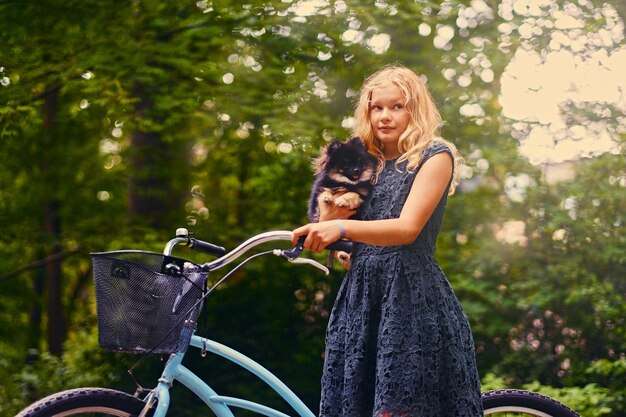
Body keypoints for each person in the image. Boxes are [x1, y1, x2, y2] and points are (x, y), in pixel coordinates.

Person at [291, 65, 483, 417]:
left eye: (397, 107)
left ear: (415, 110)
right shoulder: (363, 163)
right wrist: (330, 228)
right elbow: (339, 226)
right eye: (376, 107)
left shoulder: (434, 155)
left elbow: (407, 229)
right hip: (361, 300)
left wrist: (344, 231)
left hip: (410, 298)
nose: (385, 116)